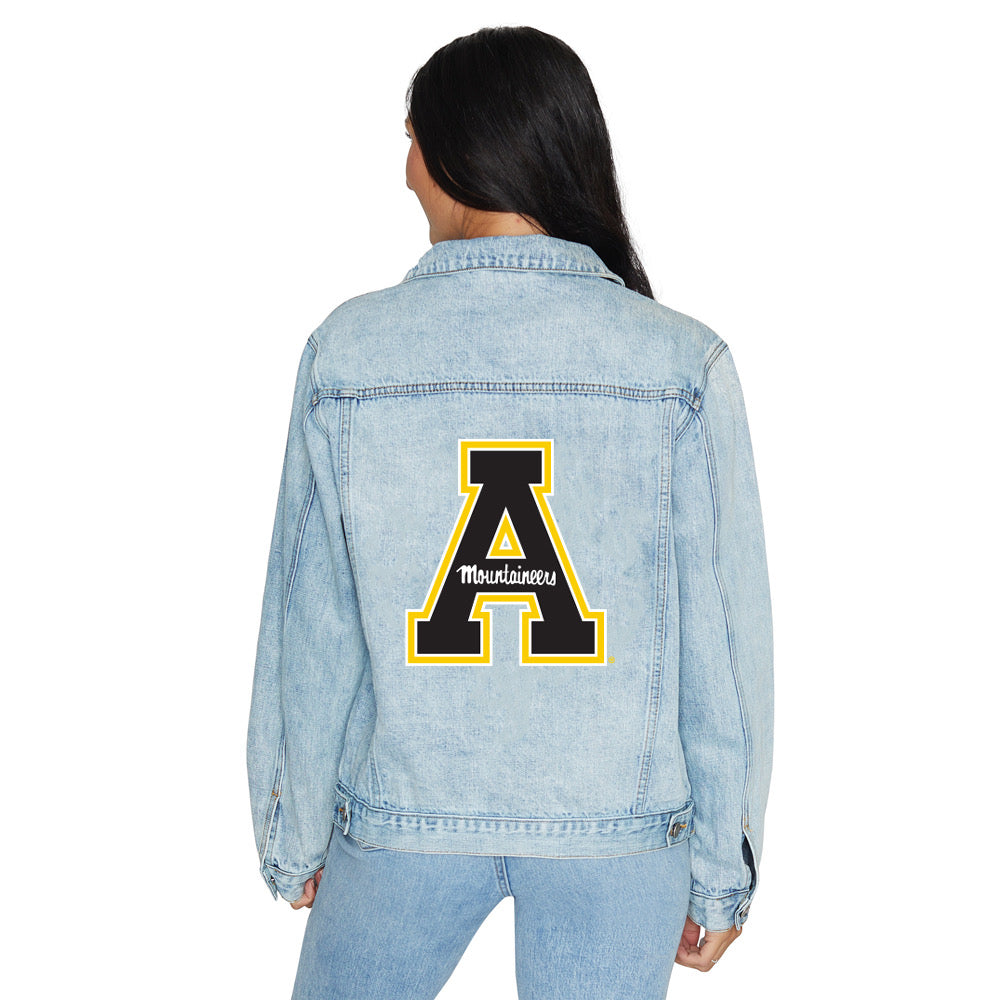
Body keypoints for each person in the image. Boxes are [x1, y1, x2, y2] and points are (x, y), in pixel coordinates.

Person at [247, 25, 773, 1000]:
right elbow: (722, 641)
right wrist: (721, 870)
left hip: (402, 816)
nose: (404, 169)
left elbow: (312, 624)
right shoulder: (680, 363)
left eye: (411, 139)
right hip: (619, 832)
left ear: (460, 148)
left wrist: (294, 831)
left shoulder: (348, 354)